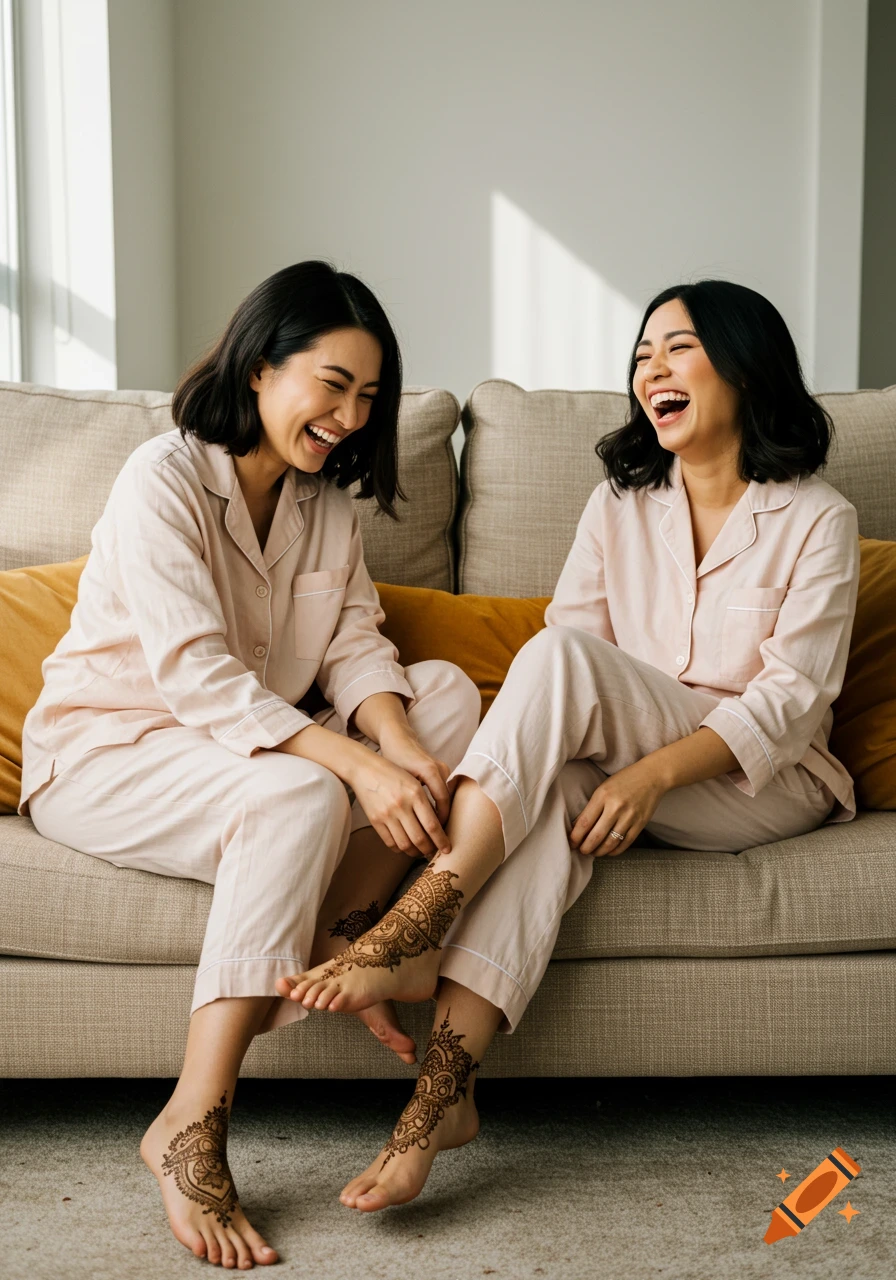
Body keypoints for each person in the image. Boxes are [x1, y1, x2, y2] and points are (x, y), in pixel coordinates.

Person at [281, 279, 860, 1213]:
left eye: (677, 348)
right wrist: (619, 771)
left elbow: (793, 701)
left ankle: (428, 908)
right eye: (641, 356)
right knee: (550, 777)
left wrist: (653, 776)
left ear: (747, 367)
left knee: (556, 668)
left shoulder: (817, 518)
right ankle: (440, 1098)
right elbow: (576, 660)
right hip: (622, 759)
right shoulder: (619, 506)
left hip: (760, 781)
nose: (651, 370)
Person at [20, 261, 480, 1267]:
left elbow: (357, 641)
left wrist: (399, 748)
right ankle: (190, 1120)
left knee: (444, 692)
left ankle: (340, 932)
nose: (350, 415)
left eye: (368, 396)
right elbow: (194, 675)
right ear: (260, 364)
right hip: (114, 746)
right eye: (331, 383)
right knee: (303, 781)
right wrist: (359, 771)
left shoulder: (321, 502)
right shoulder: (164, 477)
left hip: (239, 740)